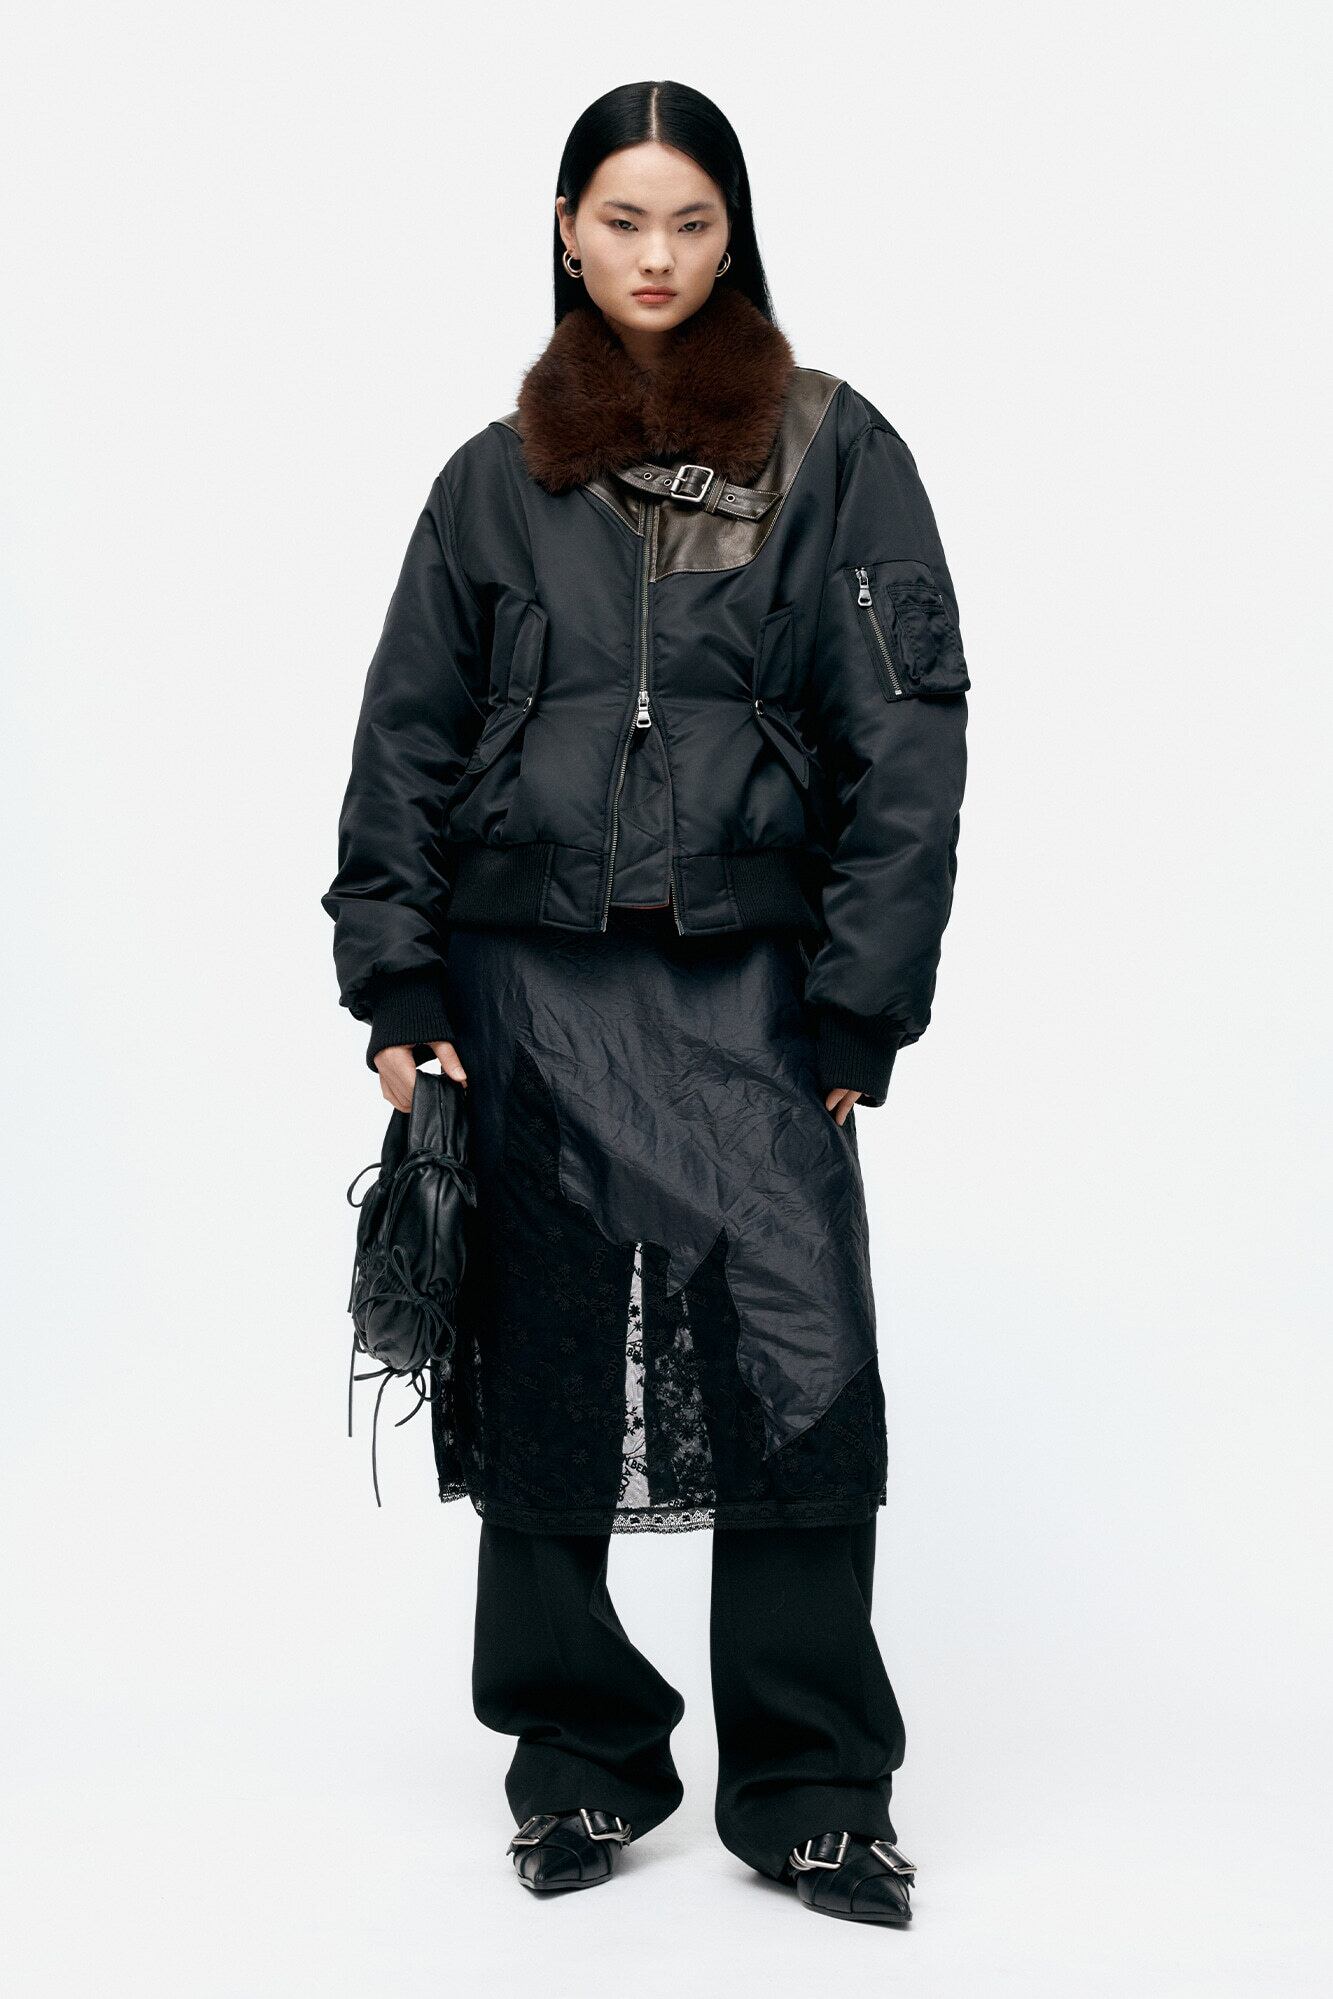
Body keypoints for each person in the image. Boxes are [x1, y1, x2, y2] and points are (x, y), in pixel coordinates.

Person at [321, 79, 970, 1926]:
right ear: (564, 230)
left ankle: (814, 1788)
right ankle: (578, 1764)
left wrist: (859, 1007)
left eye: (691, 222)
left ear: (733, 233)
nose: (658, 256)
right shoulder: (490, 478)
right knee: (539, 1371)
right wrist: (396, 977)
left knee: (793, 1368)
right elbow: (404, 741)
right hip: (521, 983)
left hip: (750, 982)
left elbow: (907, 745)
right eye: (623, 221)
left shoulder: (834, 449)